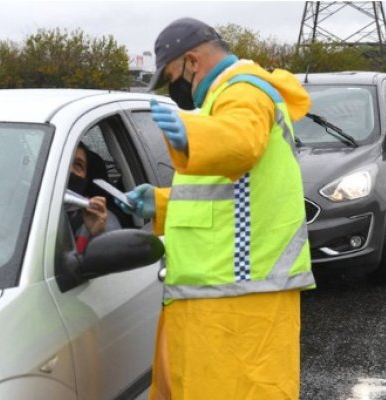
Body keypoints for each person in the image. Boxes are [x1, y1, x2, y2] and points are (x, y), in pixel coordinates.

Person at [119, 17, 315, 400]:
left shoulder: (243, 91)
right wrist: (160, 204)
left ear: (192, 61)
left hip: (240, 303)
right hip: (222, 300)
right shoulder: (222, 98)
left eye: (172, 74)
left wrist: (190, 135)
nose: (174, 88)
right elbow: (227, 196)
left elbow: (240, 143)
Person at [67, 142, 121, 253]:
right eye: (63, 161)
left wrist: (98, 234)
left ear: (86, 177)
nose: (70, 170)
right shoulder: (28, 209)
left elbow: (114, 262)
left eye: (78, 165)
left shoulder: (100, 218)